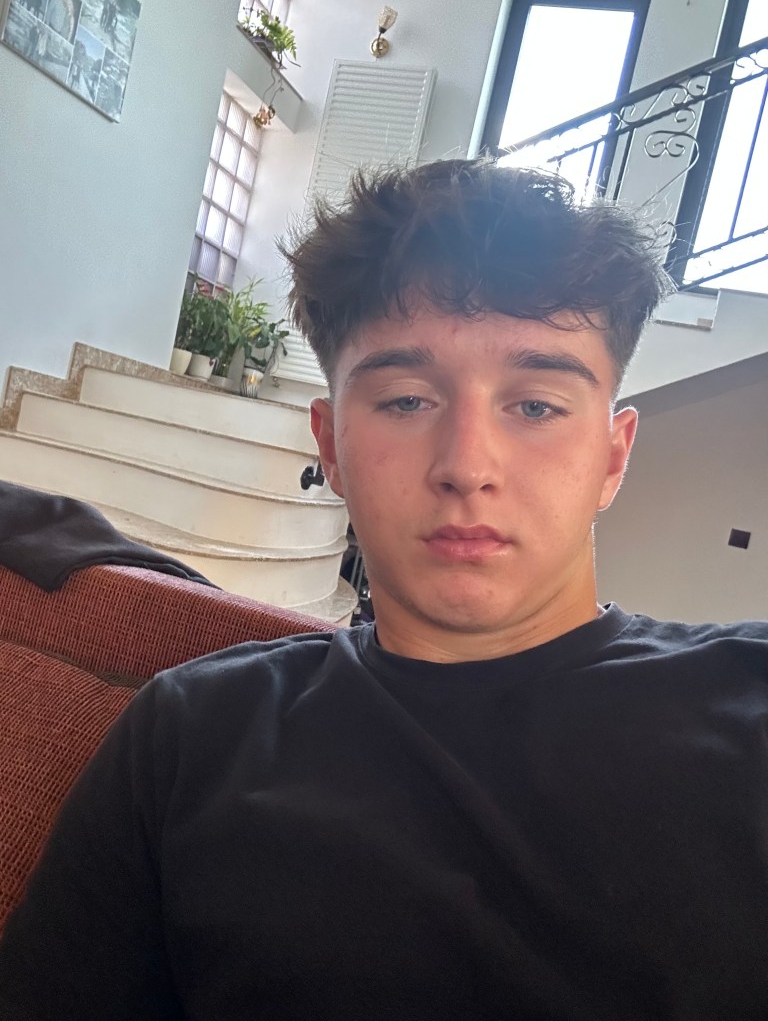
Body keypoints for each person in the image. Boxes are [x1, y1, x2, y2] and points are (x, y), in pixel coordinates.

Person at [1, 159, 767, 1019]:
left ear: (613, 457)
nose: (467, 466)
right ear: (330, 446)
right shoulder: (193, 733)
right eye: (406, 401)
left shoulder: (750, 703)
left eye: (536, 407)